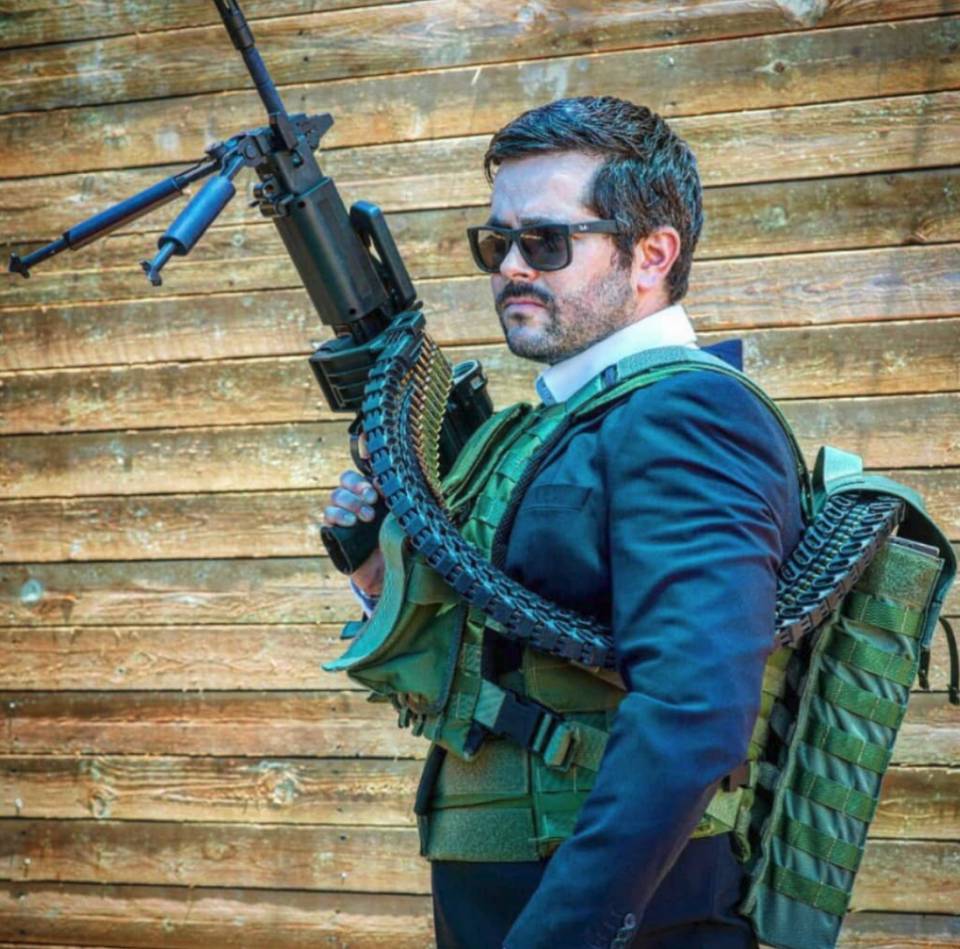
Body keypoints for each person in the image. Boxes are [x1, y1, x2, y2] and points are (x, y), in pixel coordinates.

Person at [324, 96, 804, 949]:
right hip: (510, 886)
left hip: (621, 912)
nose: (512, 266)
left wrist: (562, 935)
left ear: (652, 254)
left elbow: (695, 711)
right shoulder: (563, 420)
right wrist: (376, 571)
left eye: (546, 241)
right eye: (495, 243)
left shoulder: (687, 415)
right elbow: (508, 650)